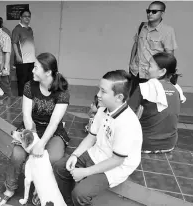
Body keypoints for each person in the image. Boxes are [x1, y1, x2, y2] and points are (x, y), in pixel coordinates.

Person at [53, 70, 142, 206]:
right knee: (60, 167)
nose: (98, 95)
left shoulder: (127, 123)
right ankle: (66, 202)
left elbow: (117, 160)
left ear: (118, 97)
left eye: (103, 91)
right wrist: (75, 155)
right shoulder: (102, 109)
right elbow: (90, 137)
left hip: (115, 166)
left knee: (80, 193)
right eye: (99, 90)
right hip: (97, 153)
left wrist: (85, 172)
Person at [0, 53, 70, 206]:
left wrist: (41, 144)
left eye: (36, 68)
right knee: (17, 154)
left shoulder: (62, 92)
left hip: (52, 132)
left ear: (48, 72)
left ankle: (39, 190)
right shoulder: (30, 86)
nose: (32, 71)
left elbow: (54, 123)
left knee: (54, 158)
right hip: (30, 129)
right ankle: (10, 188)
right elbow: (27, 116)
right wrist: (33, 140)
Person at [128, 52, 186, 153]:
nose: (146, 68)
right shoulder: (177, 89)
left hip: (145, 143)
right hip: (169, 144)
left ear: (162, 71)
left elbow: (126, 113)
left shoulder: (145, 88)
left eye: (150, 66)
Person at [129, 1, 178, 96]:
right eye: (148, 11)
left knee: (149, 102)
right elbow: (135, 45)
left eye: (154, 11)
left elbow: (169, 55)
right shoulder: (142, 27)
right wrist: (131, 64)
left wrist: (166, 75)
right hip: (136, 71)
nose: (150, 14)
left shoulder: (167, 31)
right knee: (133, 100)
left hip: (152, 74)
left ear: (162, 13)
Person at [12, 9, 36, 96]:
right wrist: (17, 56)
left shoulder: (30, 29)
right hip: (22, 60)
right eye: (25, 16)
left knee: (30, 81)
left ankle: (28, 98)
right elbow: (14, 43)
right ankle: (20, 100)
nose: (27, 18)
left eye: (29, 16)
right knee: (22, 82)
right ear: (20, 17)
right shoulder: (17, 29)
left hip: (31, 59)